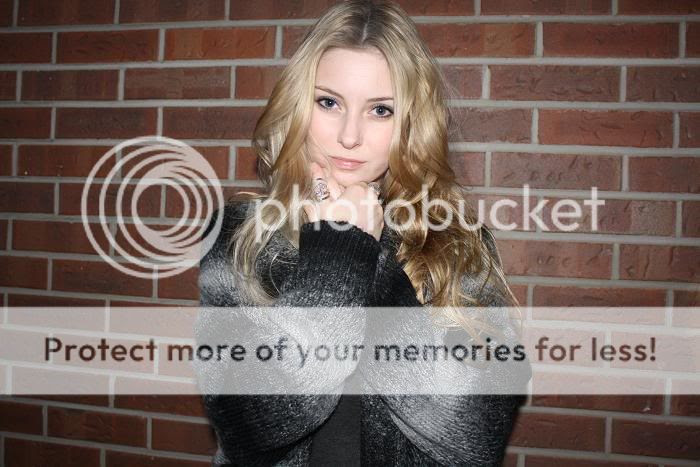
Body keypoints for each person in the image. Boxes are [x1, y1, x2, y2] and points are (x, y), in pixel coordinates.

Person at [195, 1, 531, 465]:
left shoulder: (456, 242)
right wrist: (338, 252)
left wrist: (370, 257)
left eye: (380, 110)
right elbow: (252, 422)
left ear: (410, 123)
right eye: (329, 102)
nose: (350, 135)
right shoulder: (239, 238)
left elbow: (473, 435)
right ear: (299, 105)